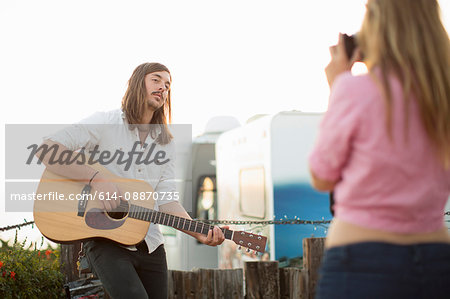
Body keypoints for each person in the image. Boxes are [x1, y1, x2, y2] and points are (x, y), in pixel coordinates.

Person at [37, 62, 227, 298]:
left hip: (151, 243)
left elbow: (166, 200)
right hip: (105, 239)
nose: (163, 88)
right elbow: (46, 149)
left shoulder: (165, 143)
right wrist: (97, 180)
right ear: (138, 83)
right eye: (156, 80)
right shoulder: (105, 122)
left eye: (168, 84)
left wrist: (198, 232)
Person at [308, 0, 450, 298]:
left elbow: (322, 176)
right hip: (436, 260)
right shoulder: (443, 96)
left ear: (379, 26)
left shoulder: (354, 90)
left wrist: (338, 86)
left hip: (361, 261)